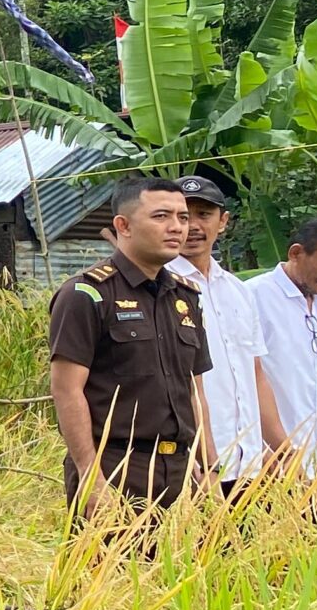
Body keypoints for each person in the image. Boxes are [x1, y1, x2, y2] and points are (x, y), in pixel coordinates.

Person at [46, 177, 212, 514]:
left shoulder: (185, 297)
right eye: (161, 216)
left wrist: (207, 464)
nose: (178, 227)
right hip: (118, 467)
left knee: (181, 567)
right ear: (123, 225)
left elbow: (194, 389)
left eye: (183, 217)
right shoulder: (88, 294)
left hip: (179, 470)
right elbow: (67, 391)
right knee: (113, 567)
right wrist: (90, 474)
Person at [166, 176, 285, 497]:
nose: (192, 227)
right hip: (195, 466)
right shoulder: (159, 288)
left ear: (223, 222)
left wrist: (277, 446)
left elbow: (255, 374)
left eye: (203, 215)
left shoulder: (238, 291)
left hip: (250, 463)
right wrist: (196, 457)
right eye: (183, 216)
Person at [250, 216, 317, 501]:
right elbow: (248, 377)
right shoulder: (254, 297)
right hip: (276, 465)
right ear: (296, 253)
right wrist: (277, 450)